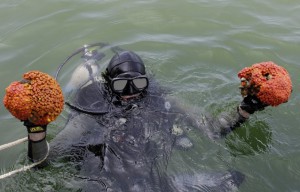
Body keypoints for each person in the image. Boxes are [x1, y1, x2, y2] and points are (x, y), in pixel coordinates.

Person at [24, 47, 269, 191]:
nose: (131, 92)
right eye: (122, 85)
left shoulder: (161, 101)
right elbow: (45, 161)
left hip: (154, 183)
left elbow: (213, 129)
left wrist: (245, 109)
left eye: (138, 83)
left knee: (234, 178)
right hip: (100, 184)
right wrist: (37, 131)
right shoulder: (93, 111)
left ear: (147, 83)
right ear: (110, 85)